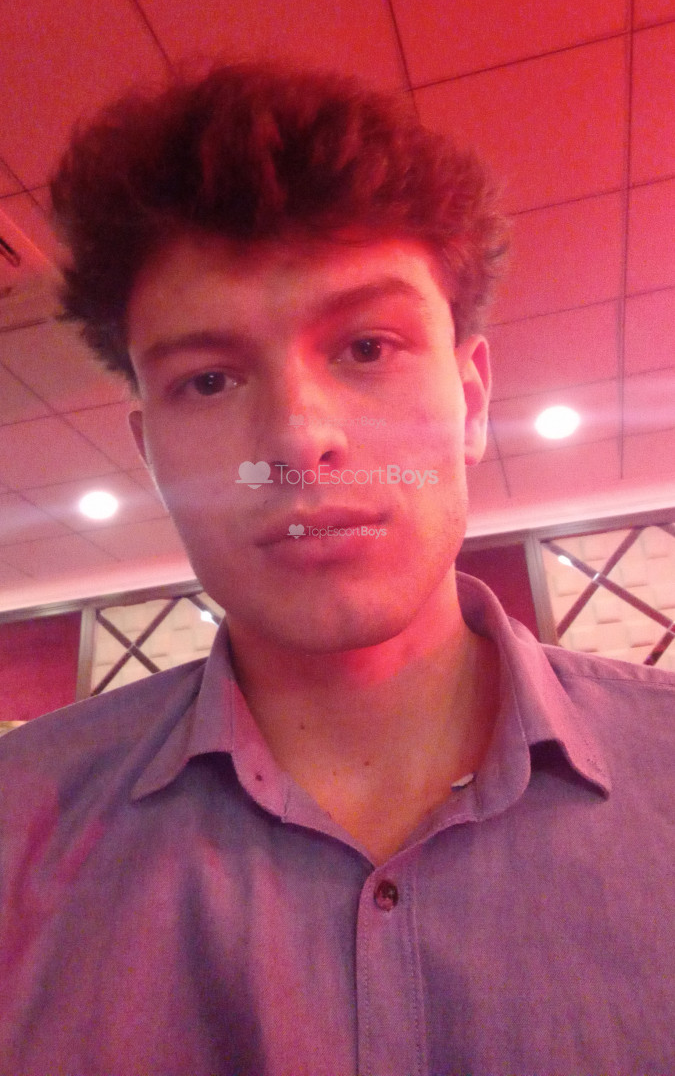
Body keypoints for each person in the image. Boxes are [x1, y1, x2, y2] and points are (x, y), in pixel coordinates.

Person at [0, 63, 673, 1076]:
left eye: (365, 347)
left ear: (472, 399)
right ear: (151, 453)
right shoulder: (18, 826)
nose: (296, 438)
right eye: (209, 379)